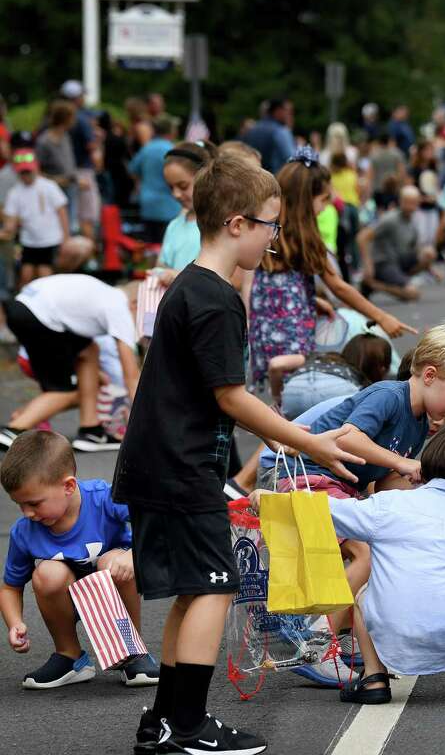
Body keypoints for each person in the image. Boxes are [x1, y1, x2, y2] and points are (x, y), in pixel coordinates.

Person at [110, 152, 365, 754]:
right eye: (271, 226)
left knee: (199, 589)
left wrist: (278, 435)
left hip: (161, 462)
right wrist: (311, 442)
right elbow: (230, 395)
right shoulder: (217, 297)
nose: (275, 239)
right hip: (181, 465)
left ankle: (165, 721)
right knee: (216, 587)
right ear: (236, 224)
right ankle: (190, 726)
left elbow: (214, 393)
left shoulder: (194, 288)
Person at [252, 424, 445, 704]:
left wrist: (275, 500)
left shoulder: (390, 505)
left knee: (365, 594)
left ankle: (374, 678)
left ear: (426, 471)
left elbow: (329, 511)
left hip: (388, 629)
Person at [1, 431, 159, 690]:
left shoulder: (102, 498)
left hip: (115, 585)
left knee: (112, 562)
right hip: (66, 598)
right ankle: (70, 657)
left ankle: (133, 650)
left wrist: (134, 555)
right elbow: (10, 587)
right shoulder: (25, 531)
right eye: (19, 505)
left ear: (68, 486)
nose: (27, 513)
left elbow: (155, 521)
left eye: (34, 503)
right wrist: (15, 623)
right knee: (46, 574)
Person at [247, 147, 415, 391]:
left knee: (282, 385)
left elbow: (277, 285)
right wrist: (381, 317)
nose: (326, 207)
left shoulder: (269, 230)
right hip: (293, 326)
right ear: (306, 199)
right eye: (324, 199)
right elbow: (338, 286)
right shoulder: (307, 237)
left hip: (265, 325)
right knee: (297, 385)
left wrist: (312, 299)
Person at [0, 273, 141, 451]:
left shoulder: (106, 294)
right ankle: (15, 429)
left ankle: (91, 430)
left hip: (24, 306)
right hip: (39, 315)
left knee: (89, 351)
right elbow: (132, 377)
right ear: (136, 304)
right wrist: (145, 424)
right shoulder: (119, 307)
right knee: (66, 392)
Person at [277, 333, 393, 420]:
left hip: (295, 389)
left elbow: (276, 364)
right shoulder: (360, 380)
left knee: (283, 438)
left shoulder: (321, 356)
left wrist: (277, 396)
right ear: (382, 367)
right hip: (338, 390)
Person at [1, 148, 69, 286]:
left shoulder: (48, 186)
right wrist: (7, 230)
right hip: (29, 241)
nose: (26, 175)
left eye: (28, 171)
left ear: (35, 168)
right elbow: (11, 220)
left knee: (44, 274)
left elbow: (61, 211)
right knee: (26, 275)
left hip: (49, 239)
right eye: (22, 172)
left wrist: (65, 237)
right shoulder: (15, 193)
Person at [358, 186, 436, 302]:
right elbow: (362, 237)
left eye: (414, 203)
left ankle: (400, 280)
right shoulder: (390, 219)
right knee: (413, 294)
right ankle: (374, 284)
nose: (411, 207)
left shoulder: (411, 221)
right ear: (401, 202)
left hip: (399, 260)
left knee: (429, 253)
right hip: (384, 263)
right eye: (408, 203)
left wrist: (431, 269)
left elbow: (415, 249)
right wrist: (368, 265)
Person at [155, 141, 216, 284]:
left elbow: (233, 279)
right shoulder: (175, 225)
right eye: (171, 187)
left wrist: (177, 277)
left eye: (183, 186)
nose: (176, 194)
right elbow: (161, 266)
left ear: (205, 178)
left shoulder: (219, 225)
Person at [127, 117, 181, 243]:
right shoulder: (172, 149)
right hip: (169, 206)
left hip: (148, 204)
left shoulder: (147, 148)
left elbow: (132, 170)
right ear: (171, 131)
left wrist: (141, 183)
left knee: (150, 245)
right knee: (168, 244)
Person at [60, 81, 100, 239]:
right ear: (75, 98)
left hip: (68, 172)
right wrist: (98, 138)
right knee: (87, 216)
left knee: (71, 215)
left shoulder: (56, 116)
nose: (83, 98)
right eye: (81, 95)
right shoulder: (81, 119)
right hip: (83, 172)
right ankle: (87, 258)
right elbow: (91, 146)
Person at [241, 99, 295, 174]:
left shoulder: (252, 129)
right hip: (274, 181)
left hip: (253, 178)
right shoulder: (281, 131)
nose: (290, 115)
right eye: (288, 111)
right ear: (278, 111)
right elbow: (292, 159)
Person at [368, 133, 406, 208]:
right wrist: (401, 185)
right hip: (393, 189)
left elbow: (370, 174)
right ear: (389, 140)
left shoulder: (374, 155)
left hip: (378, 189)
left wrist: (369, 189)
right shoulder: (397, 154)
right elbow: (401, 172)